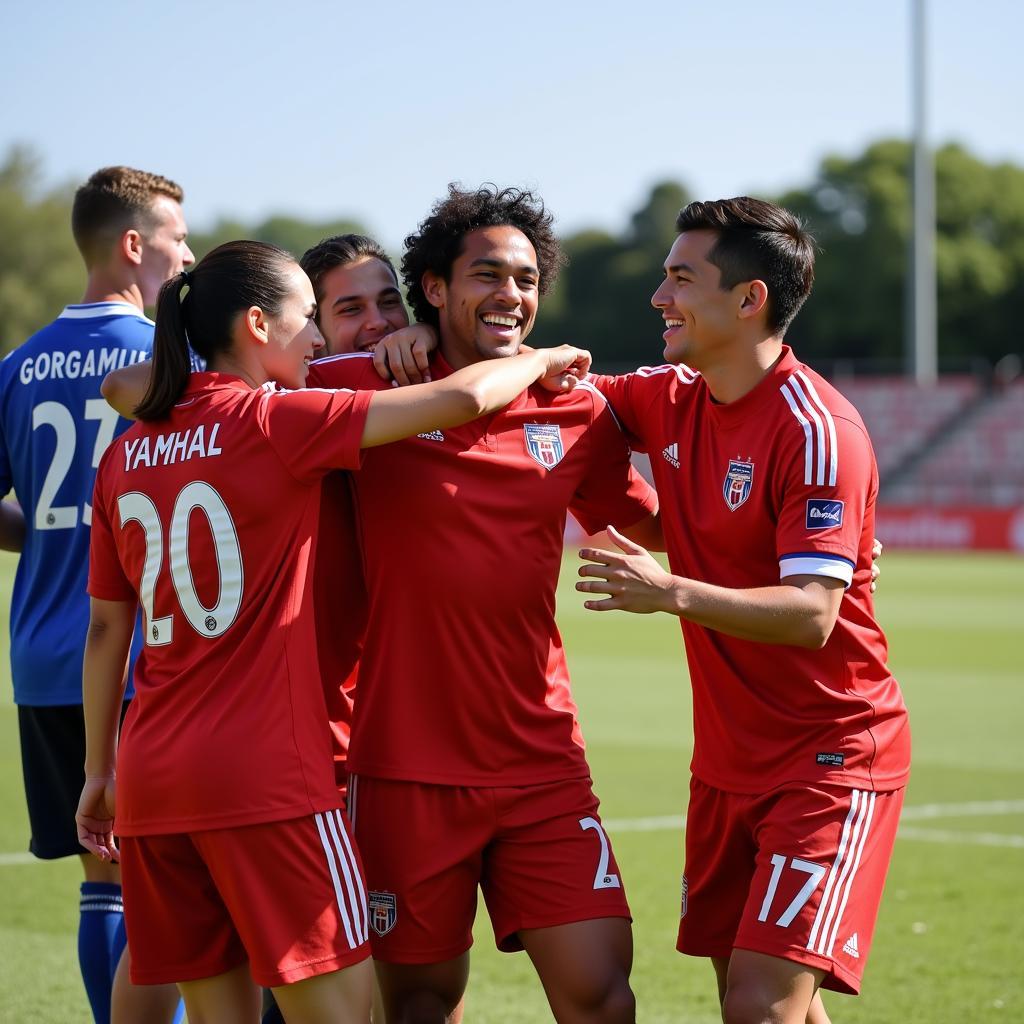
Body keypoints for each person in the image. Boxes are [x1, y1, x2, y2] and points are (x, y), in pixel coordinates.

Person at [76, 238, 591, 1024]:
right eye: (309, 317)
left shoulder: (125, 456)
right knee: (350, 1014)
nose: (318, 339)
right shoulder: (276, 421)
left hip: (151, 773)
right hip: (268, 773)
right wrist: (539, 355)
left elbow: (107, 630)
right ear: (256, 323)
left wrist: (99, 771)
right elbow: (461, 402)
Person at [306, 185, 660, 1024]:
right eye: (487, 275)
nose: (512, 294)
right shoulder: (369, 388)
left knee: (603, 999)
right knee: (424, 1005)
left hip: (541, 758)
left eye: (528, 279)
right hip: (401, 767)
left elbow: (650, 518)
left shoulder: (575, 406)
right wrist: (416, 343)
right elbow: (232, 381)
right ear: (433, 286)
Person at [575, 197, 911, 1024]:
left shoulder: (818, 428)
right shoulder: (669, 396)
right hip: (727, 764)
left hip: (830, 756)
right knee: (758, 997)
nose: (659, 298)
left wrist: (670, 592)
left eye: (681, 279)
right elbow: (565, 401)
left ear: (749, 299)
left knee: (761, 1003)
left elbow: (812, 613)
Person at [0, 165, 192, 1024]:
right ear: (131, 245)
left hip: (43, 660)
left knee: (102, 882)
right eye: (177, 237)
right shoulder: (165, 357)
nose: (187, 254)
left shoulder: (16, 366)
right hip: (144, 655)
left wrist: (47, 534)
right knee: (174, 885)